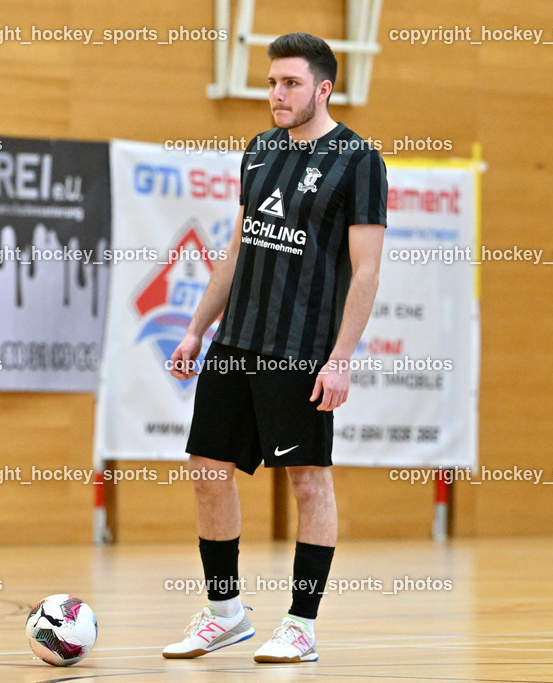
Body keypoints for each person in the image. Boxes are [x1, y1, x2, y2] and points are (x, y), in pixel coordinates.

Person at [161, 32, 388, 664]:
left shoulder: (359, 160)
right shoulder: (258, 152)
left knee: (309, 483)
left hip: (302, 347)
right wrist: (196, 327)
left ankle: (301, 625)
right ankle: (225, 613)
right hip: (236, 341)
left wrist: (340, 357)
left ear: (323, 88)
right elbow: (237, 250)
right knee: (207, 470)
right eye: (271, 82)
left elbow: (366, 272)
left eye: (290, 83)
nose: (276, 94)